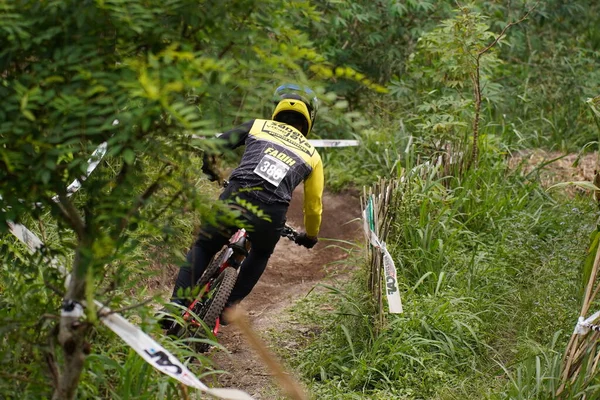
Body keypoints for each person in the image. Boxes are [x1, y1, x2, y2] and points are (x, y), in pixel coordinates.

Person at [160, 84, 324, 326]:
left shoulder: (258, 125)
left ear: (277, 112)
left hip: (236, 196)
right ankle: (228, 306)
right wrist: (309, 235)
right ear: (307, 121)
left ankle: (175, 306)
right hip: (271, 212)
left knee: (205, 245)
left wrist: (210, 170)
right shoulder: (313, 155)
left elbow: (215, 146)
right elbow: (313, 206)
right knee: (260, 253)